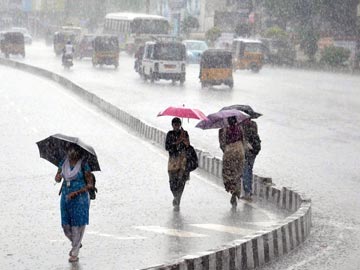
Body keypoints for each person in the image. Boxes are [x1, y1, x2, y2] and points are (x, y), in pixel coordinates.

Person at [55, 144, 94, 263]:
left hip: (80, 199)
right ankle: (76, 242)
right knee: (66, 226)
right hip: (66, 198)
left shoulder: (84, 165)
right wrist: (57, 177)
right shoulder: (63, 163)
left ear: (78, 152)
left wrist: (76, 193)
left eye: (73, 151)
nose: (71, 153)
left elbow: (90, 185)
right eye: (69, 151)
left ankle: (75, 252)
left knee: (77, 226)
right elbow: (58, 178)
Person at [219, 116, 245, 207]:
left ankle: (232, 190)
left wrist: (226, 151)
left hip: (229, 153)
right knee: (238, 174)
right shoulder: (240, 128)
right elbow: (243, 140)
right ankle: (236, 193)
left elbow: (222, 144)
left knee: (228, 173)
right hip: (240, 152)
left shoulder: (225, 130)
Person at [165, 117, 190, 211]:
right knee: (172, 182)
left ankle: (178, 198)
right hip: (173, 161)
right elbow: (167, 147)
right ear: (172, 125)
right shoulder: (170, 134)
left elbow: (188, 146)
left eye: (178, 124)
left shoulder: (185, 133)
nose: (177, 126)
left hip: (182, 160)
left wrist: (184, 141)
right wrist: (176, 143)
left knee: (181, 181)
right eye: (175, 125)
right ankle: (175, 196)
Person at [241, 118, 261, 201]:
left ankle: (247, 193)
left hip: (248, 151)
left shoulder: (243, 126)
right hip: (255, 150)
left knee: (245, 170)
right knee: (249, 170)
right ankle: (249, 191)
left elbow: (244, 139)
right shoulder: (254, 124)